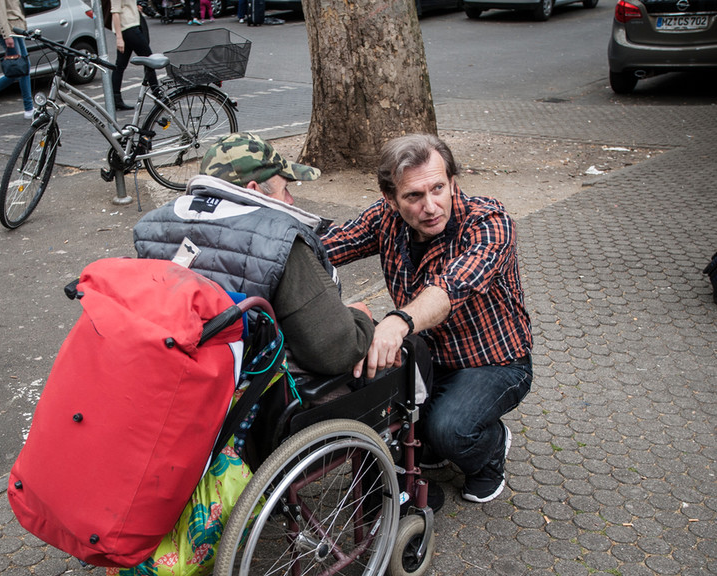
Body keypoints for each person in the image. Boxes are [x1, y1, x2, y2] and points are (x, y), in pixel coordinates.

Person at [321, 133, 533, 504]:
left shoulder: (490, 223)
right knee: (374, 405)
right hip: (426, 355)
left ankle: (491, 450)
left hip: (494, 362)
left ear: (453, 182)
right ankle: (433, 437)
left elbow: (451, 287)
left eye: (438, 188)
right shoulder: (384, 217)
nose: (431, 206)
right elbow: (327, 246)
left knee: (449, 430)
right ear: (391, 199)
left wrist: (397, 321)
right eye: (414, 196)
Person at [133, 132, 374, 377]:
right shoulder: (279, 241)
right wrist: (360, 317)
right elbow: (335, 353)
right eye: (285, 189)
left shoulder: (152, 228)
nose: (290, 201)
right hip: (255, 390)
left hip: (178, 371)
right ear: (254, 189)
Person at [109, 0, 158, 110]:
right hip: (128, 29)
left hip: (131, 27)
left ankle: (116, 99)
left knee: (120, 65)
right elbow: (115, 13)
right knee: (150, 60)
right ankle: (158, 95)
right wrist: (119, 38)